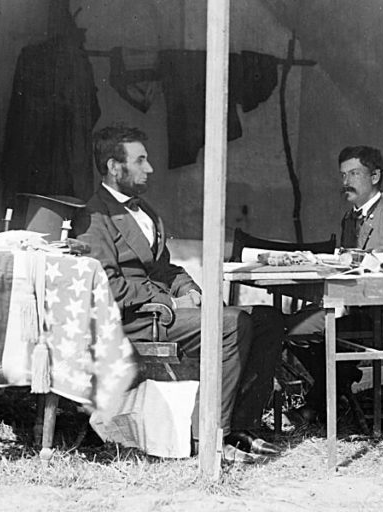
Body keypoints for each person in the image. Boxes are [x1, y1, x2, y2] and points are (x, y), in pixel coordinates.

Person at [74, 124, 285, 463]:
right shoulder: (94, 216)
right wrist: (170, 300)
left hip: (162, 311)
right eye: (140, 160)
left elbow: (166, 269)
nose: (150, 169)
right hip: (134, 320)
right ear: (115, 167)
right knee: (233, 324)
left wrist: (190, 289)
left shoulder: (147, 212)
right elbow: (108, 285)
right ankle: (211, 437)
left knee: (268, 320)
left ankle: (241, 427)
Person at [286, 145, 383, 423]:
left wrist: (365, 257)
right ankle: (341, 380)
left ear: (375, 176)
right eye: (343, 175)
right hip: (366, 312)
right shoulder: (350, 218)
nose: (346, 182)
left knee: (312, 331)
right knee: (291, 329)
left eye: (354, 173)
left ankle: (319, 402)